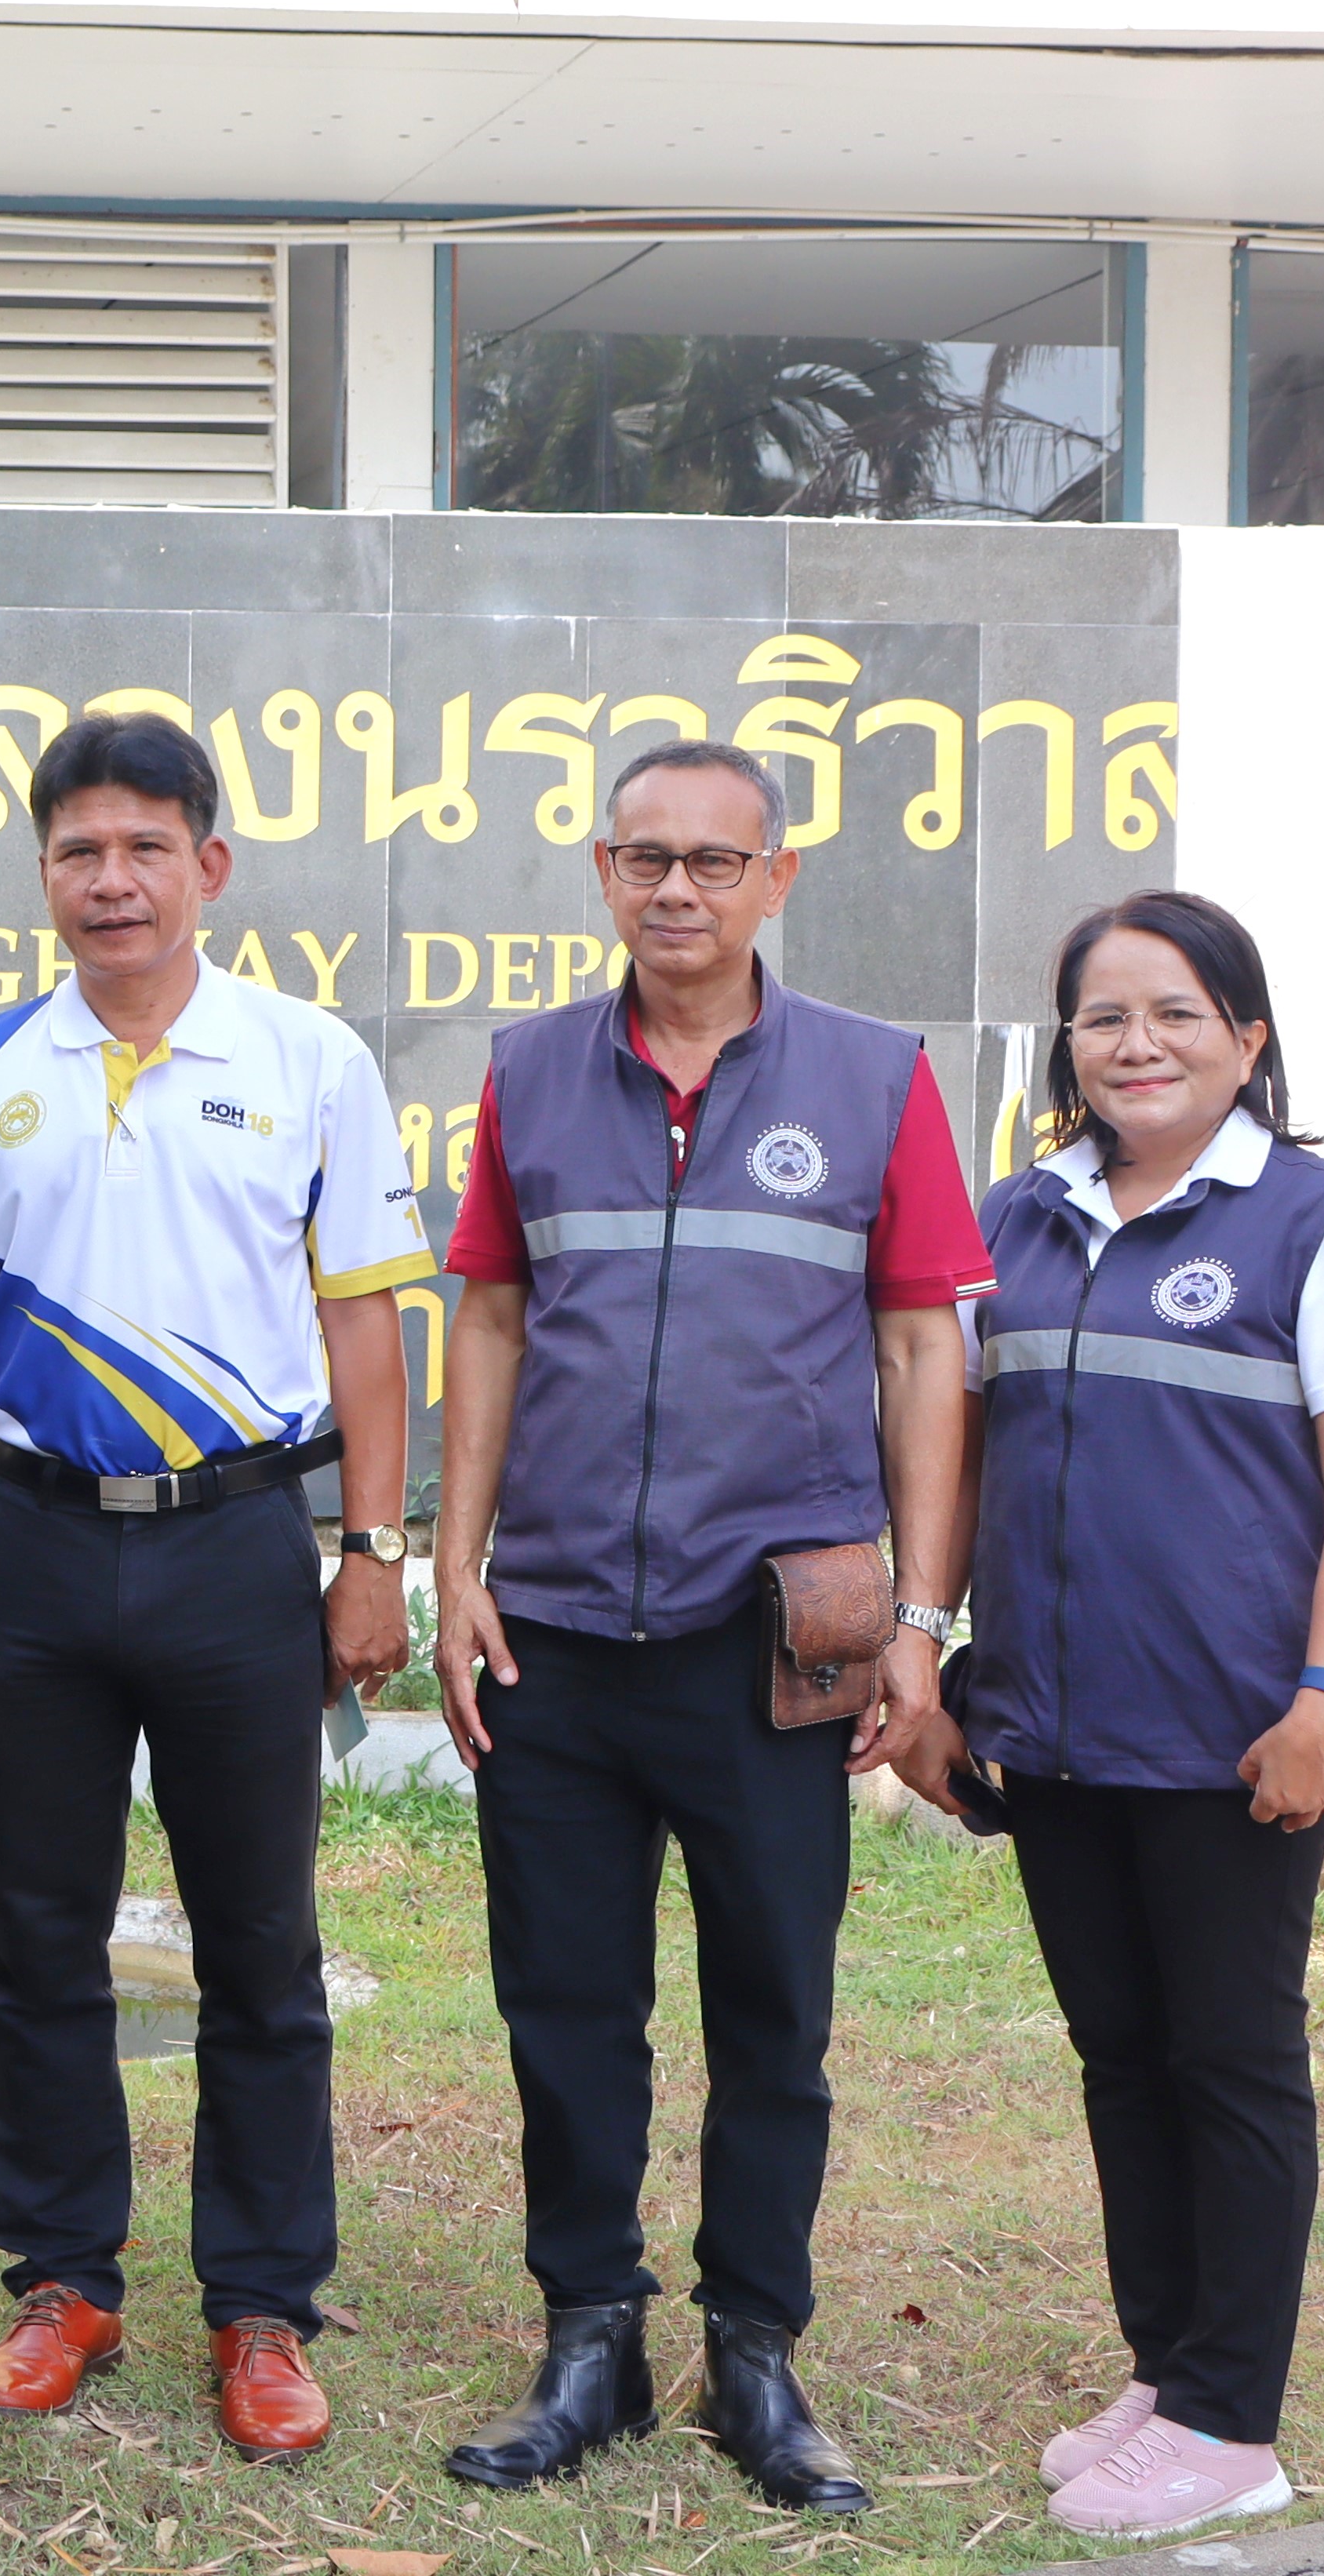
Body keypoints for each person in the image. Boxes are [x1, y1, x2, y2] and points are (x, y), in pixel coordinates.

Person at [425, 737, 988, 2513]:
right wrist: (454, 1566)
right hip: (558, 1637)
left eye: (715, 860)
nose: (677, 887)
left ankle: (757, 2351)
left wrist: (920, 1615)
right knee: (566, 2007)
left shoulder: (874, 1078)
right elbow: (491, 1319)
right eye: (645, 856)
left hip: (774, 1647)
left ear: (777, 877)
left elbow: (922, 1348)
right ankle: (589, 2338)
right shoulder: (530, 1072)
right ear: (604, 870)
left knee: (773, 2015)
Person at [0, 713, 429, 2462]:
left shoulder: (308, 1057)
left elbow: (365, 1323)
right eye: (77, 851)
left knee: (260, 1942)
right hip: (27, 1546)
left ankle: (261, 2306)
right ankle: (66, 2285)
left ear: (210, 866)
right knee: (40, 1936)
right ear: (44, 872)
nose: (111, 880)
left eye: (144, 848)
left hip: (235, 1546)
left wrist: (373, 1551)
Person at [892, 893, 1324, 2539]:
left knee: (1233, 2061)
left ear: (1247, 1038)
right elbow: (963, 1458)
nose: (1138, 1043)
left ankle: (1233, 2422)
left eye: (1177, 1012)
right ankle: (1166, 2370)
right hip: (1052, 1726)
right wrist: (930, 1659)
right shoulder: (1023, 1215)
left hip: (1234, 1734)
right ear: (1069, 1044)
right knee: (1123, 2057)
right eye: (1105, 1016)